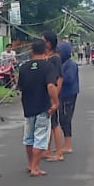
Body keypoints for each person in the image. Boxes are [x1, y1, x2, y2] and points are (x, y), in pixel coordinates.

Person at [17, 38, 60, 176]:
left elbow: (21, 88)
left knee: (29, 138)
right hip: (43, 108)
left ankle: (30, 164)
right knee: (40, 138)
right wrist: (55, 102)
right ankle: (36, 168)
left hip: (28, 108)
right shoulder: (48, 67)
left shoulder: (23, 67)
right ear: (46, 50)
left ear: (32, 51)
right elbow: (51, 86)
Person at [51, 46, 80, 160]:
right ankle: (65, 144)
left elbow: (69, 79)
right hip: (62, 95)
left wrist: (58, 77)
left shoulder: (70, 64)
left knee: (65, 118)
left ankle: (68, 145)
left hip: (69, 95)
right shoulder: (63, 64)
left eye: (59, 52)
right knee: (62, 118)